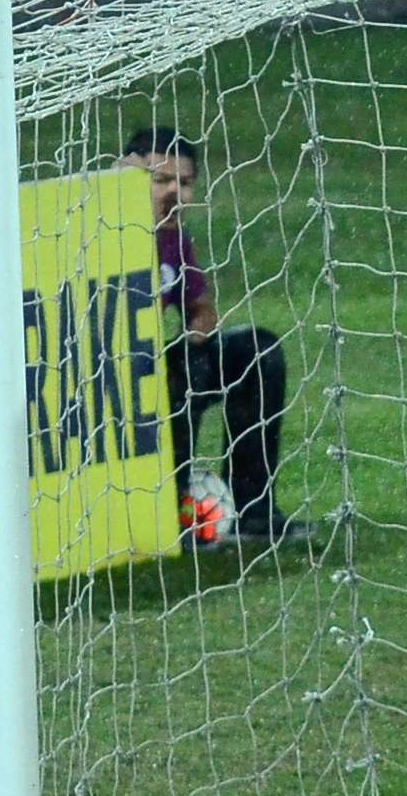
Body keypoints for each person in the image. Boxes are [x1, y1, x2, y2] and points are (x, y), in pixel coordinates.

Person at [117, 127, 306, 545]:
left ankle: (254, 513)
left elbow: (199, 306)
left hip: (155, 367)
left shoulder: (172, 238)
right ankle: (168, 509)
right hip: (108, 381)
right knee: (181, 377)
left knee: (259, 351)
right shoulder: (102, 231)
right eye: (161, 180)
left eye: (184, 183)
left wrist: (197, 331)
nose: (176, 194)